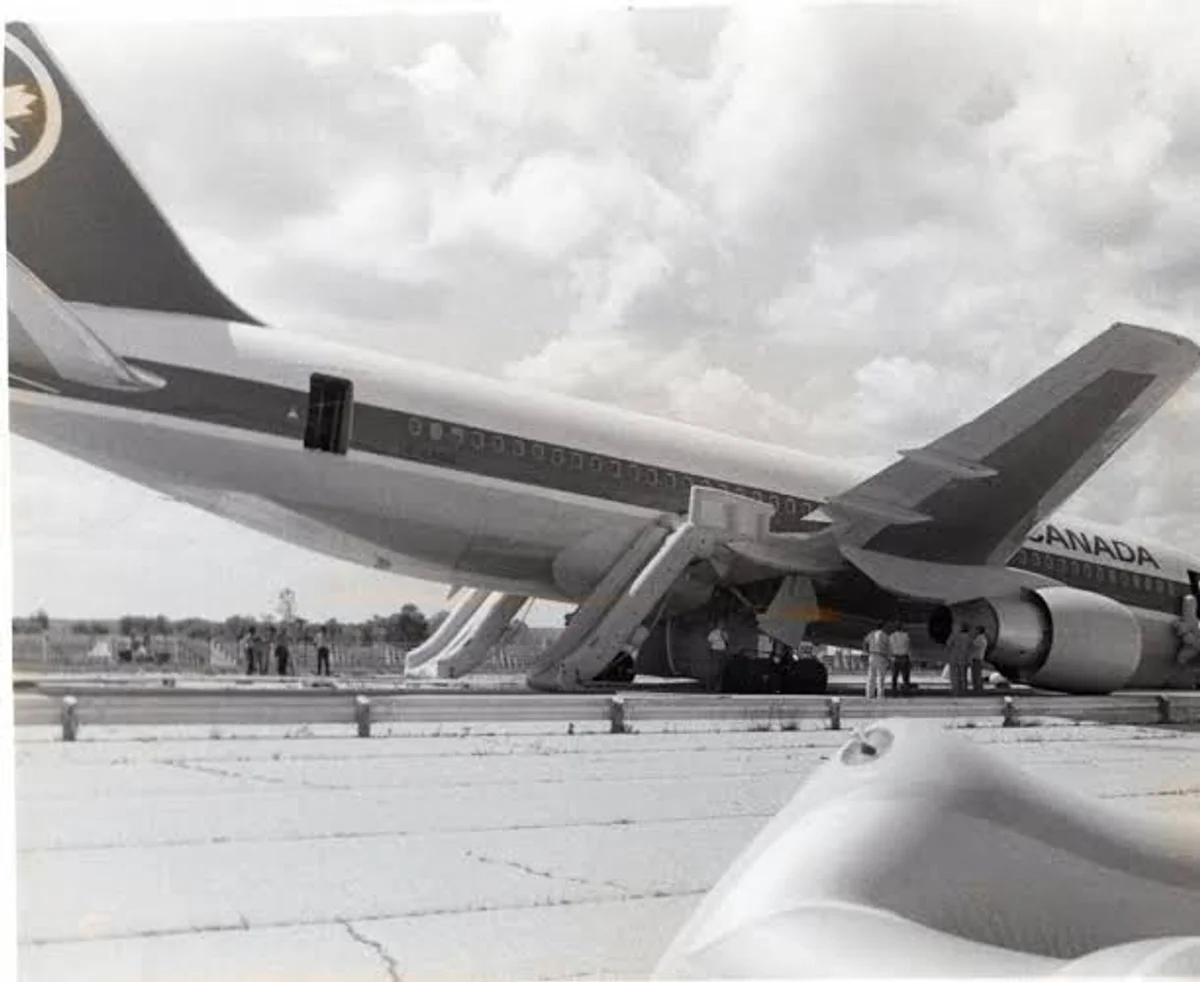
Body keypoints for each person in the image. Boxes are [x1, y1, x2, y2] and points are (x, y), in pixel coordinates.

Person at [863, 622, 890, 701]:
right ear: (883, 627)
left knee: (871, 676)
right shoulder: (884, 635)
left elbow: (865, 642)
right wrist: (888, 657)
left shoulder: (871, 634)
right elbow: (887, 646)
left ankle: (869, 694)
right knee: (880, 677)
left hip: (872, 655)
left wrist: (867, 651)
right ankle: (880, 695)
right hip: (881, 656)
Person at [945, 624, 971, 697]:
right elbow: (970, 647)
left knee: (953, 673)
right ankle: (964, 689)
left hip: (954, 656)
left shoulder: (955, 635)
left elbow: (948, 644)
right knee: (963, 674)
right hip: (963, 656)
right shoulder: (969, 637)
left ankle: (955, 689)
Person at [888, 621, 912, 696]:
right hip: (904, 658)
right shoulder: (906, 635)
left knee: (894, 677)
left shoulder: (891, 636)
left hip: (895, 658)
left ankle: (894, 693)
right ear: (902, 627)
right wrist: (910, 658)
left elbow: (889, 647)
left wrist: (890, 657)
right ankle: (905, 693)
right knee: (905, 677)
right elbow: (908, 647)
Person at [969, 626, 989, 693]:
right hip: (979, 657)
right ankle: (978, 687)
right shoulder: (983, 638)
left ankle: (977, 688)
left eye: (977, 630)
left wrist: (972, 637)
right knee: (978, 674)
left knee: (976, 674)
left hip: (976, 658)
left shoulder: (979, 638)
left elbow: (972, 644)